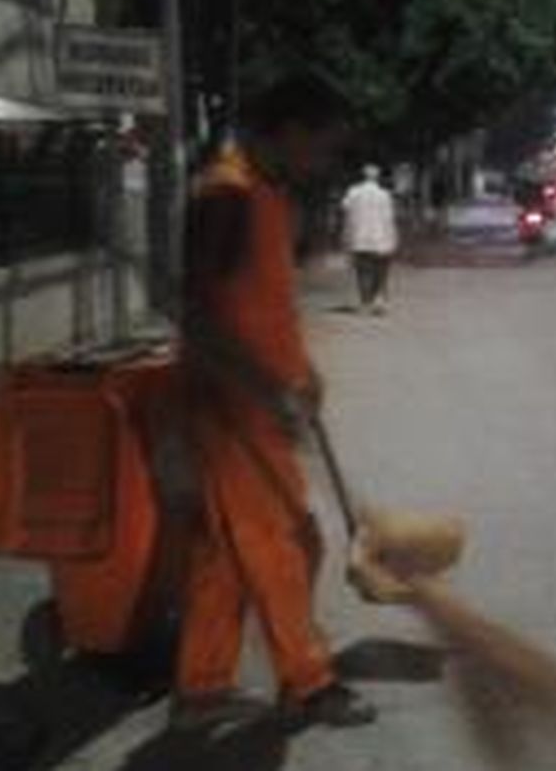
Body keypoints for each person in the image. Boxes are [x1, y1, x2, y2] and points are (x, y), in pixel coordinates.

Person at [169, 74, 376, 730]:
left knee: (227, 553)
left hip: (259, 407)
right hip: (230, 415)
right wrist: (267, 386)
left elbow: (262, 306)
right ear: (288, 130)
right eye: (321, 147)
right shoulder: (225, 196)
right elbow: (194, 316)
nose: (323, 163)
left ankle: (200, 693)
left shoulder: (266, 195)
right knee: (290, 542)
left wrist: (302, 371)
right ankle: (309, 682)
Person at [341, 164, 399, 315]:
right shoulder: (385, 195)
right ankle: (378, 299)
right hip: (380, 238)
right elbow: (389, 219)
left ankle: (365, 302)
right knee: (380, 270)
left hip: (359, 237)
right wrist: (392, 238)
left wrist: (345, 235)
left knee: (362, 271)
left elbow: (345, 210)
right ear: (377, 177)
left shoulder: (353, 192)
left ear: (363, 175)